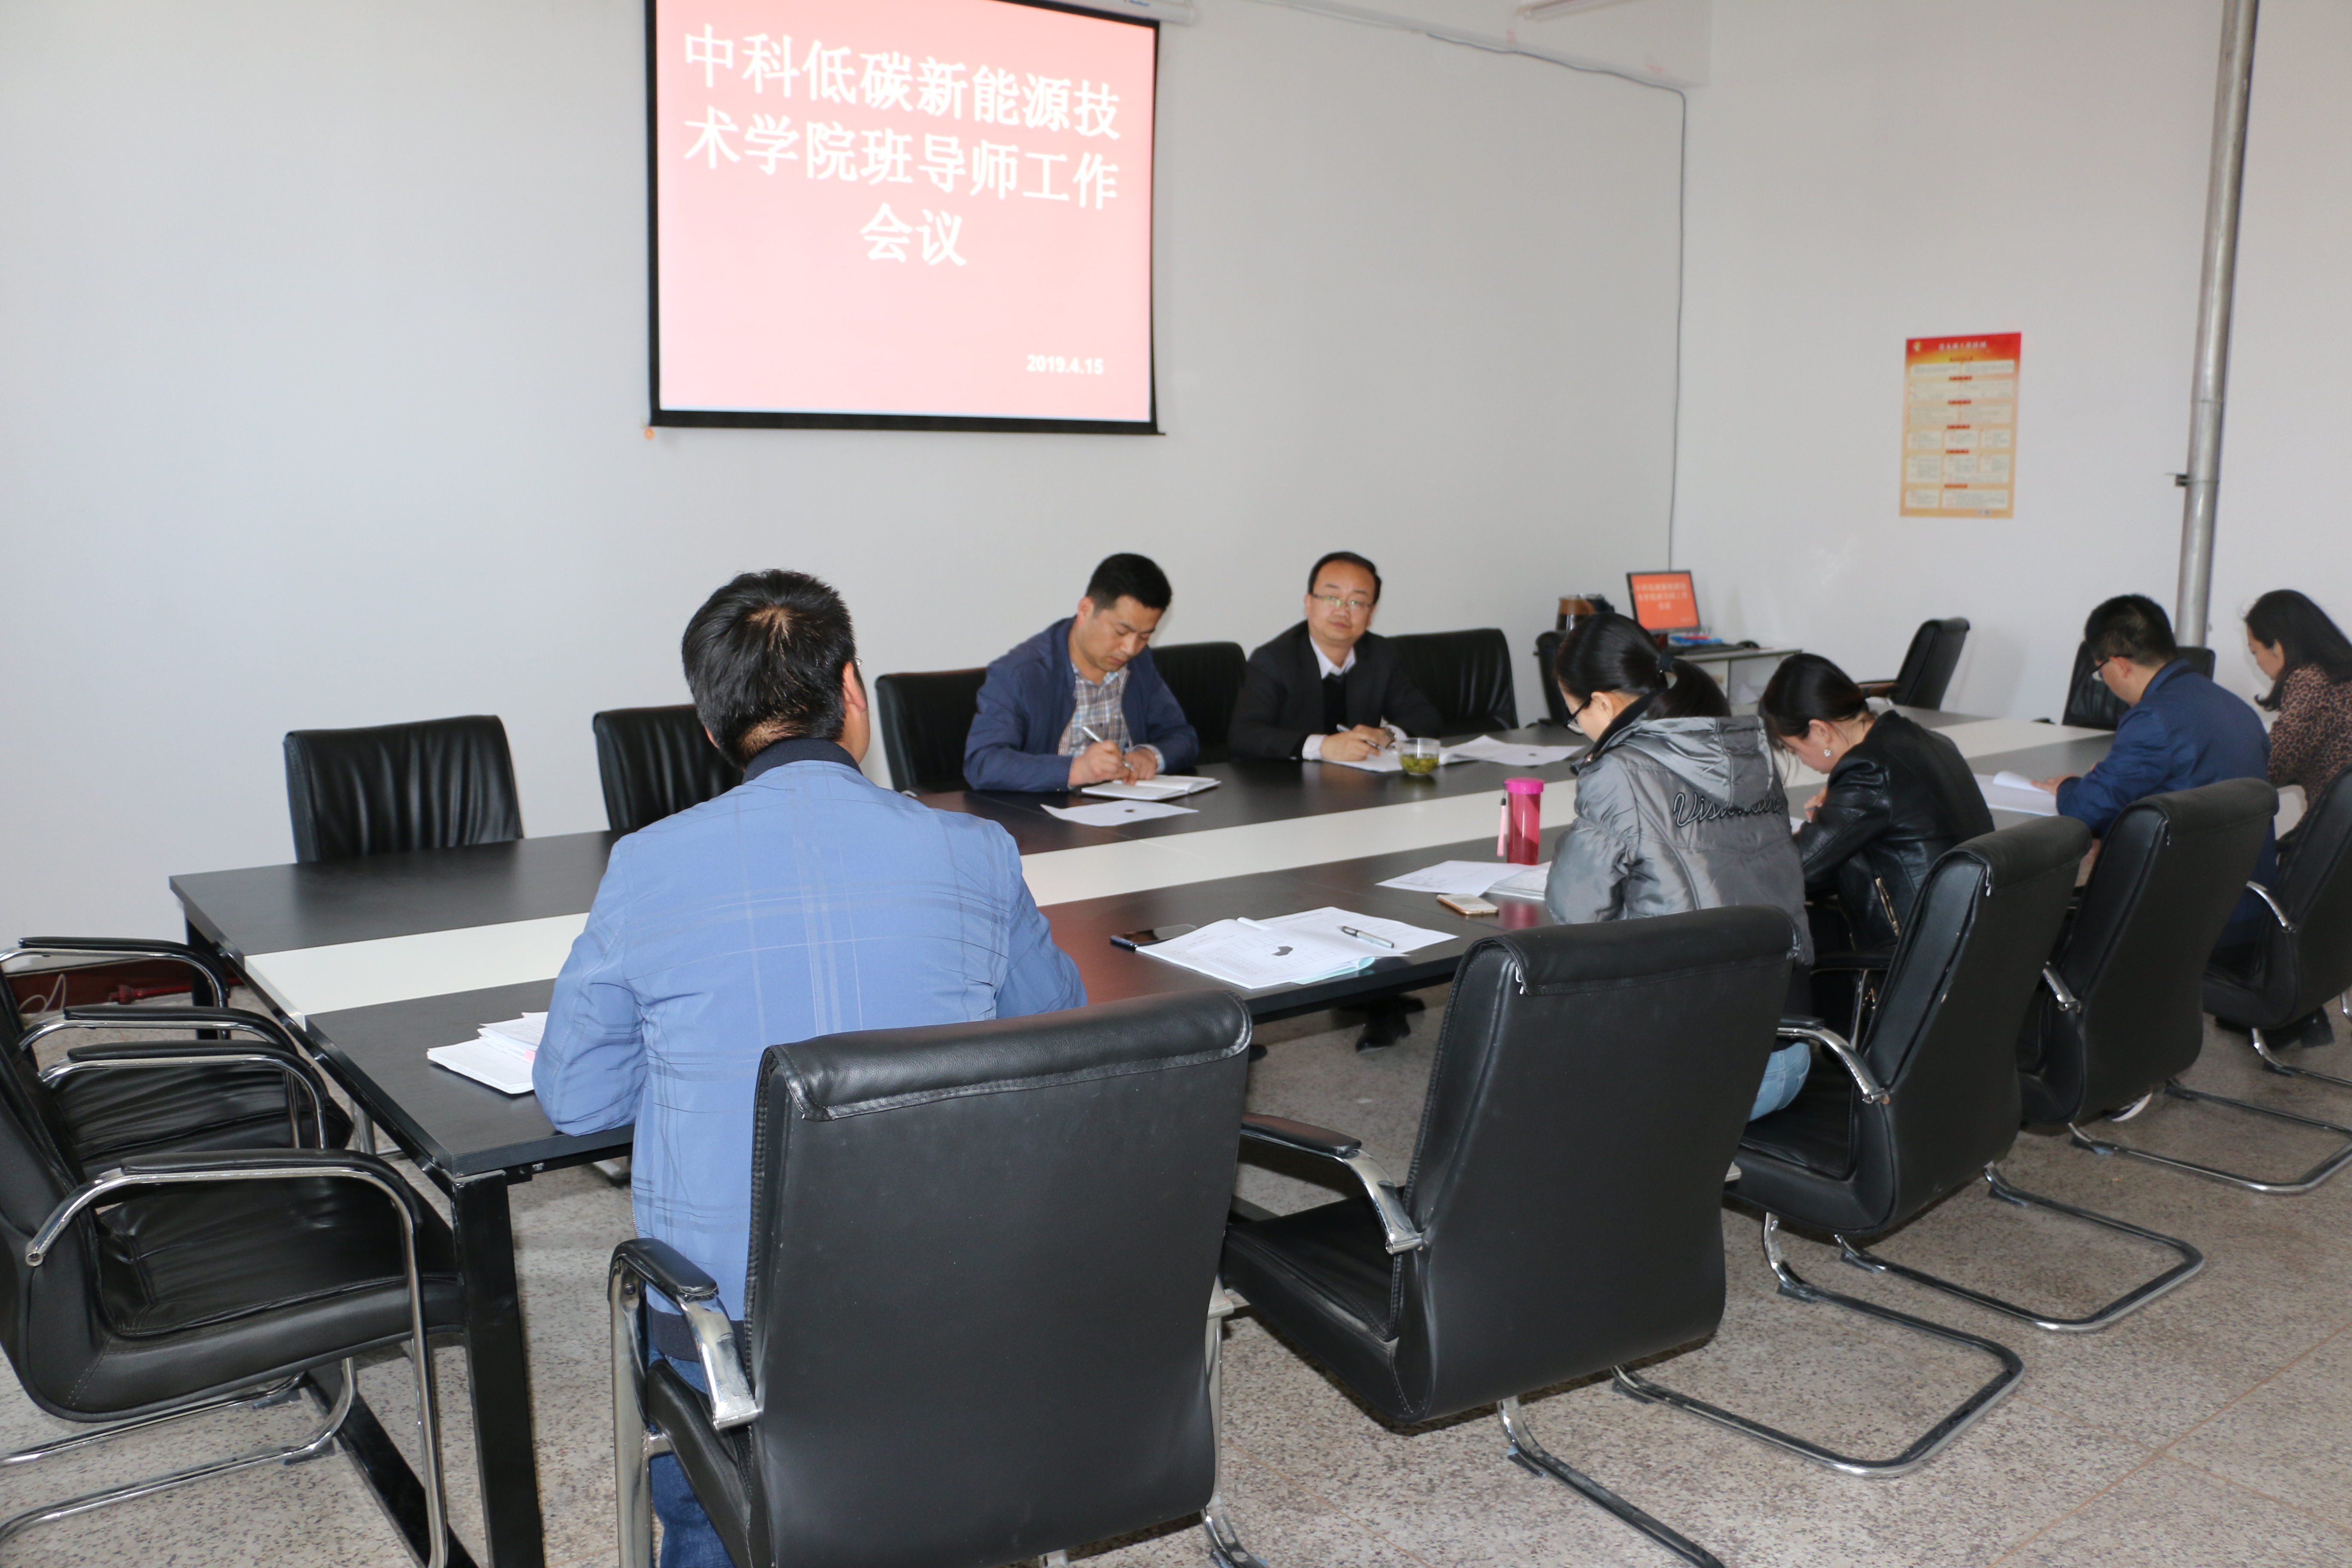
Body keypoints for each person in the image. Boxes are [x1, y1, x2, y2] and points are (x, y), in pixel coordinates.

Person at [535, 570, 1085, 1568]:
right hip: (951, 1290)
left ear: (711, 728)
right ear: (852, 693)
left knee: (709, 1518)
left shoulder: (648, 866)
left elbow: (578, 1098)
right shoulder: (975, 851)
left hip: (729, 1328)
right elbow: (1051, 1034)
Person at [1545, 613, 1814, 1119]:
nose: (1582, 729)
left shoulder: (1620, 773)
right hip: (1793, 1052)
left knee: (1531, 1080)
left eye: (1575, 716)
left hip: (1700, 1070)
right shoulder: (1750, 751)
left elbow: (1576, 915)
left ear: (1601, 703)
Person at [2041, 594, 2275, 934]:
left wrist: (2068, 786)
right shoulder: (2233, 706)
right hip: (2245, 904)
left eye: (2100, 672)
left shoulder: (2153, 718)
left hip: (2182, 918)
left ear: (2119, 665)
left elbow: (2084, 810)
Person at [1761, 653, 1993, 956]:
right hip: (1971, 937)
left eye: (1794, 749)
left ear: (1821, 731)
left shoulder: (1869, 769)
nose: (1800, 759)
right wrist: (1832, 811)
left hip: (1916, 955)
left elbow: (1797, 868)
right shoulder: (1926, 740)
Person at [963, 553, 1200, 791]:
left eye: (1144, 637)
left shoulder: (1139, 663)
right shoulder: (1020, 674)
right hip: (1045, 811)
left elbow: (1182, 737)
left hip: (1126, 808)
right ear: (1086, 610)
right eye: (1121, 632)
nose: (1130, 649)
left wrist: (1150, 756)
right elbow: (983, 763)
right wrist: (1075, 770)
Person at [1228, 551, 1444, 761]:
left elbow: (1425, 717)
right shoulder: (1273, 660)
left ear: (1371, 614)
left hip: (1361, 780)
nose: (1342, 611)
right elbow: (1244, 735)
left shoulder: (1380, 654)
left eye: (1356, 602)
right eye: (1331, 598)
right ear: (1309, 603)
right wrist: (1322, 747)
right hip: (1289, 781)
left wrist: (1387, 735)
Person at [2245, 589, 2352, 812]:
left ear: (2278, 646)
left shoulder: (2311, 681)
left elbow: (2272, 766)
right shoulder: (2338, 676)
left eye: (2255, 652)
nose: (2257, 662)